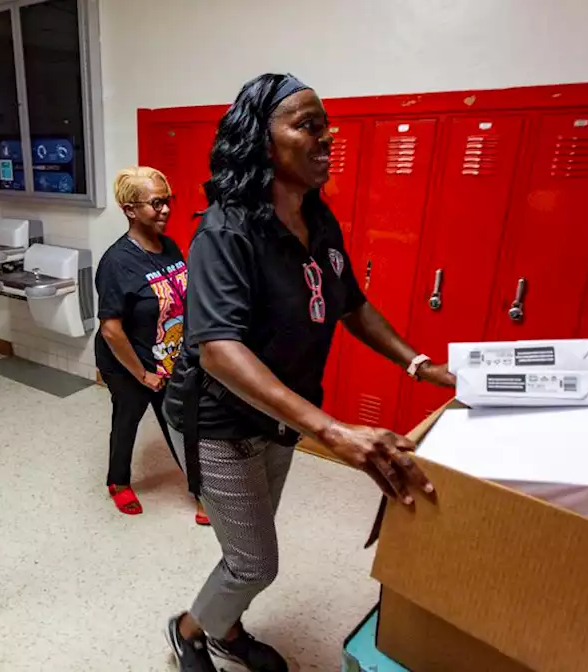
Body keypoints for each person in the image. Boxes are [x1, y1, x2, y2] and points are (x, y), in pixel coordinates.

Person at [160, 74, 456, 672]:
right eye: (307, 125)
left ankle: (226, 625)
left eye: (326, 126)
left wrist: (420, 365)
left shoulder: (317, 222)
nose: (327, 139)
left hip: (279, 417)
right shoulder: (225, 231)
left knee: (251, 537)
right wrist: (334, 430)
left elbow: (351, 303)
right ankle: (191, 630)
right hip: (218, 420)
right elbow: (217, 348)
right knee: (253, 561)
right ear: (262, 142)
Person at [95, 167, 208, 525]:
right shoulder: (116, 263)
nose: (165, 210)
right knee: (127, 419)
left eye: (167, 201)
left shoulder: (169, 246)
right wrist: (142, 374)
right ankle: (118, 481)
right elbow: (111, 329)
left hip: (169, 358)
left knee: (181, 423)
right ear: (129, 209)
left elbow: (177, 300)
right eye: (156, 203)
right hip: (129, 363)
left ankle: (200, 490)